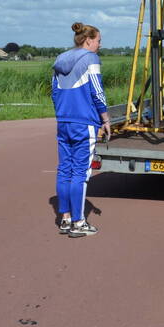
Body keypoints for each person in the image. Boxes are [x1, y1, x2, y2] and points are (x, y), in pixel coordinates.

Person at [51, 22, 110, 238]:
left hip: (63, 120)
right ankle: (79, 222)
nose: (100, 44)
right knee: (81, 172)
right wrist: (105, 118)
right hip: (84, 122)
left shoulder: (60, 59)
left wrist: (62, 113)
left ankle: (65, 218)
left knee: (64, 169)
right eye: (98, 40)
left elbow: (54, 91)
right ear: (88, 40)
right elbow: (97, 91)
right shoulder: (90, 59)